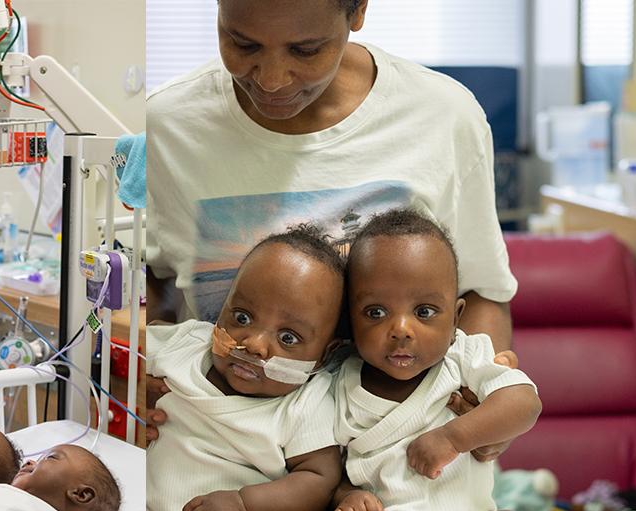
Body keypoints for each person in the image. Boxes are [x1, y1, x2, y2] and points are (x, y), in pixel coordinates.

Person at [145, 0, 518, 458]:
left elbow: (482, 293)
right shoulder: (169, 124)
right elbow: (151, 281)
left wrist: (486, 397)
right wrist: (144, 366)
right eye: (243, 44)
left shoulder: (443, 117)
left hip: (406, 467)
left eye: (306, 50)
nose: (271, 78)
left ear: (358, 11)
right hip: (224, 462)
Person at [313, 210, 540, 511]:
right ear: (349, 319)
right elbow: (325, 468)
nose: (400, 329)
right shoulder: (337, 384)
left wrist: (455, 437)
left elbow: (524, 403)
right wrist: (347, 498)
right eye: (375, 312)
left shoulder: (465, 359)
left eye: (424, 311)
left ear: (455, 316)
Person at [146, 225, 345, 511]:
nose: (254, 344)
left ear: (324, 355)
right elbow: (117, 354)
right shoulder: (184, 347)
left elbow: (318, 481)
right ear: (220, 310)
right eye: (241, 318)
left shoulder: (305, 402)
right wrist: (134, 385)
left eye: (288, 339)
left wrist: (243, 504)